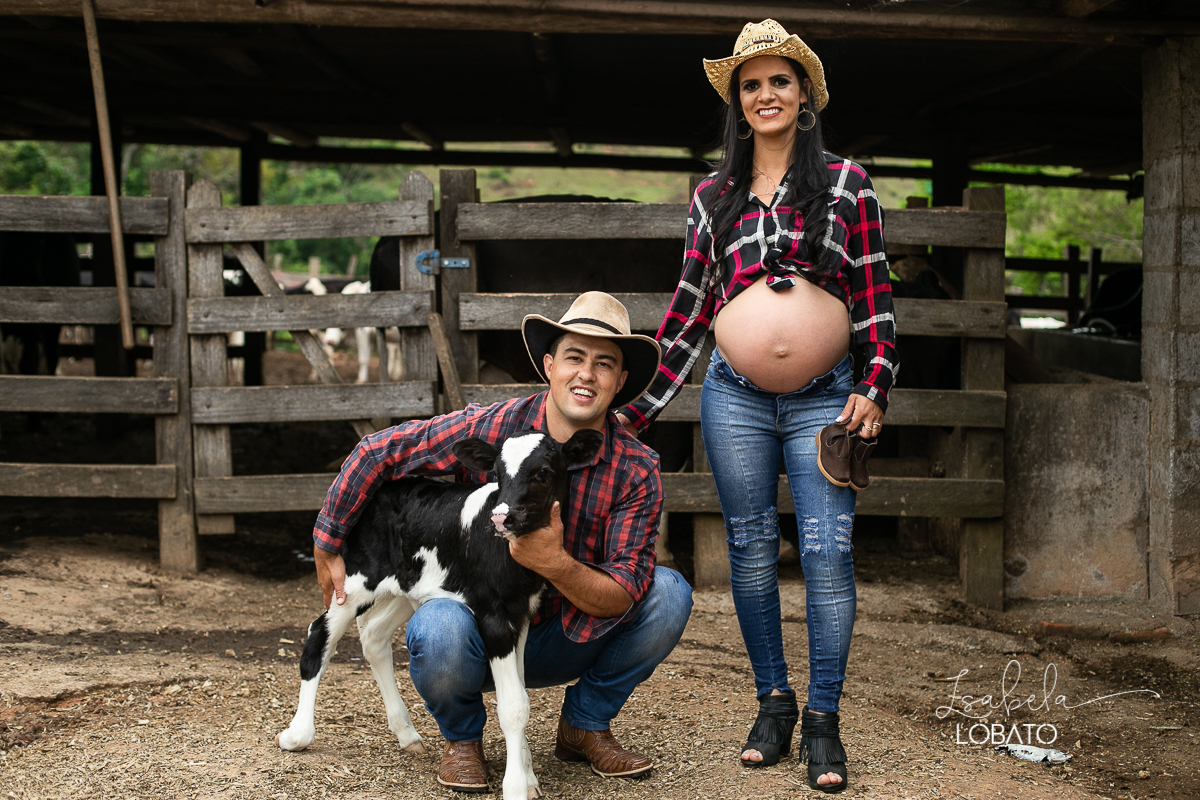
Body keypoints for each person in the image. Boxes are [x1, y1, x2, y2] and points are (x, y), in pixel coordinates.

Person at [616, 19, 897, 794]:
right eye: (751, 85)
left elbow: (874, 294)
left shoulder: (847, 183)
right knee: (748, 549)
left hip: (826, 399)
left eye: (779, 80)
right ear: (737, 102)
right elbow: (687, 315)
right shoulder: (713, 196)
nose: (765, 94)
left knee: (828, 553)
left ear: (803, 93)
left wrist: (875, 384)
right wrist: (633, 412)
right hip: (734, 400)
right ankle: (773, 703)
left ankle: (824, 721)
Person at [312, 291, 693, 793]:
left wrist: (553, 563)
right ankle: (463, 740)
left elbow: (623, 593)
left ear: (620, 381)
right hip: (479, 628)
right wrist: (328, 539)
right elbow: (379, 450)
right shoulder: (498, 426)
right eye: (574, 357)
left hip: (569, 631)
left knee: (668, 593)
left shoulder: (635, 467)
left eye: (604, 364)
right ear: (550, 365)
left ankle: (585, 723)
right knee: (435, 623)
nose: (586, 374)